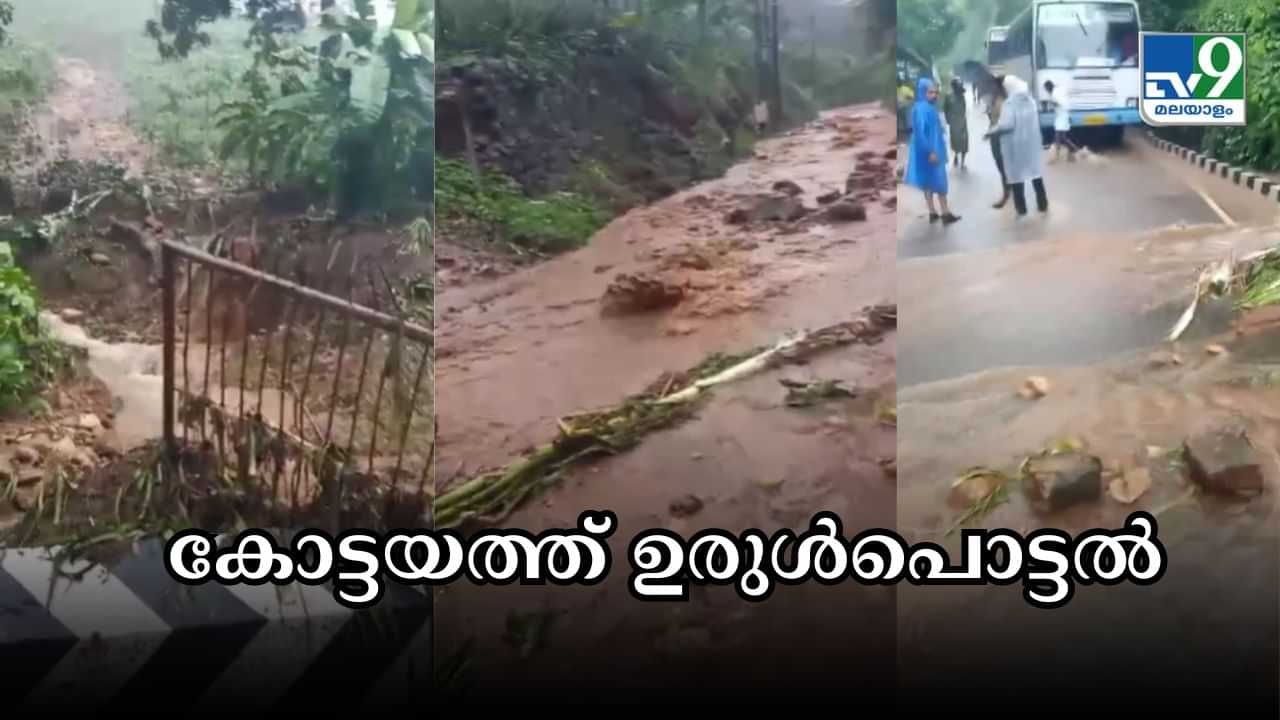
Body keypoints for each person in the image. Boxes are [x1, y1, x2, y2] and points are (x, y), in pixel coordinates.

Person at [984, 75, 1047, 217]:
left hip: (1015, 145)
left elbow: (1007, 124)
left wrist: (991, 132)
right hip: (1031, 143)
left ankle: (1021, 210)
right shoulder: (1030, 101)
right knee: (1035, 173)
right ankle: (1043, 205)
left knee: (1016, 177)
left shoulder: (1009, 104)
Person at [905, 77, 960, 225]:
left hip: (924, 151)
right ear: (923, 92)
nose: (934, 95)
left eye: (935, 92)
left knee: (927, 182)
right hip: (930, 152)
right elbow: (921, 133)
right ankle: (945, 213)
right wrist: (931, 152)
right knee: (940, 181)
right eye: (930, 92)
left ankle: (932, 212)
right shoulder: (923, 109)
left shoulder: (923, 107)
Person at [984, 76, 1010, 208]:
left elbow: (1003, 122)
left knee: (1004, 165)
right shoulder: (994, 100)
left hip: (1001, 137)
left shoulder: (1003, 101)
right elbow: (993, 118)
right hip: (994, 136)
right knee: (1001, 165)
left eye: (992, 86)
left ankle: (1007, 194)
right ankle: (1008, 191)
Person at [1043, 79, 1079, 162]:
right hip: (1061, 116)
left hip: (1062, 117)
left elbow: (1060, 103)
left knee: (1058, 138)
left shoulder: (1055, 94)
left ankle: (1056, 158)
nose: (1045, 90)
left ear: (1048, 87)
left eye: (1045, 88)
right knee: (1063, 138)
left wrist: (1050, 102)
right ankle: (1076, 151)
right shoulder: (1054, 93)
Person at [944, 77, 969, 168]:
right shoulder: (948, 96)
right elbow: (946, 109)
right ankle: (956, 155)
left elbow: (964, 107)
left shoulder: (961, 95)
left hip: (962, 121)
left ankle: (963, 160)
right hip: (953, 122)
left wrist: (962, 118)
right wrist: (948, 119)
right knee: (955, 141)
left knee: (964, 140)